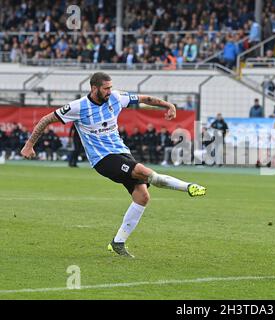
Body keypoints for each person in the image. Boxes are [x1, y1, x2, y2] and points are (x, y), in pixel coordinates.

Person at [20, 72, 206, 258]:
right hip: (103, 159)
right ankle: (188, 187)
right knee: (143, 171)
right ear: (94, 89)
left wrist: (168, 104)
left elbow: (144, 98)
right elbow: (46, 119)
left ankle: (118, 243)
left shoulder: (116, 97)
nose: (110, 91)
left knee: (142, 196)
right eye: (106, 88)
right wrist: (29, 145)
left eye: (110, 87)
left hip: (122, 152)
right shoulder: (78, 107)